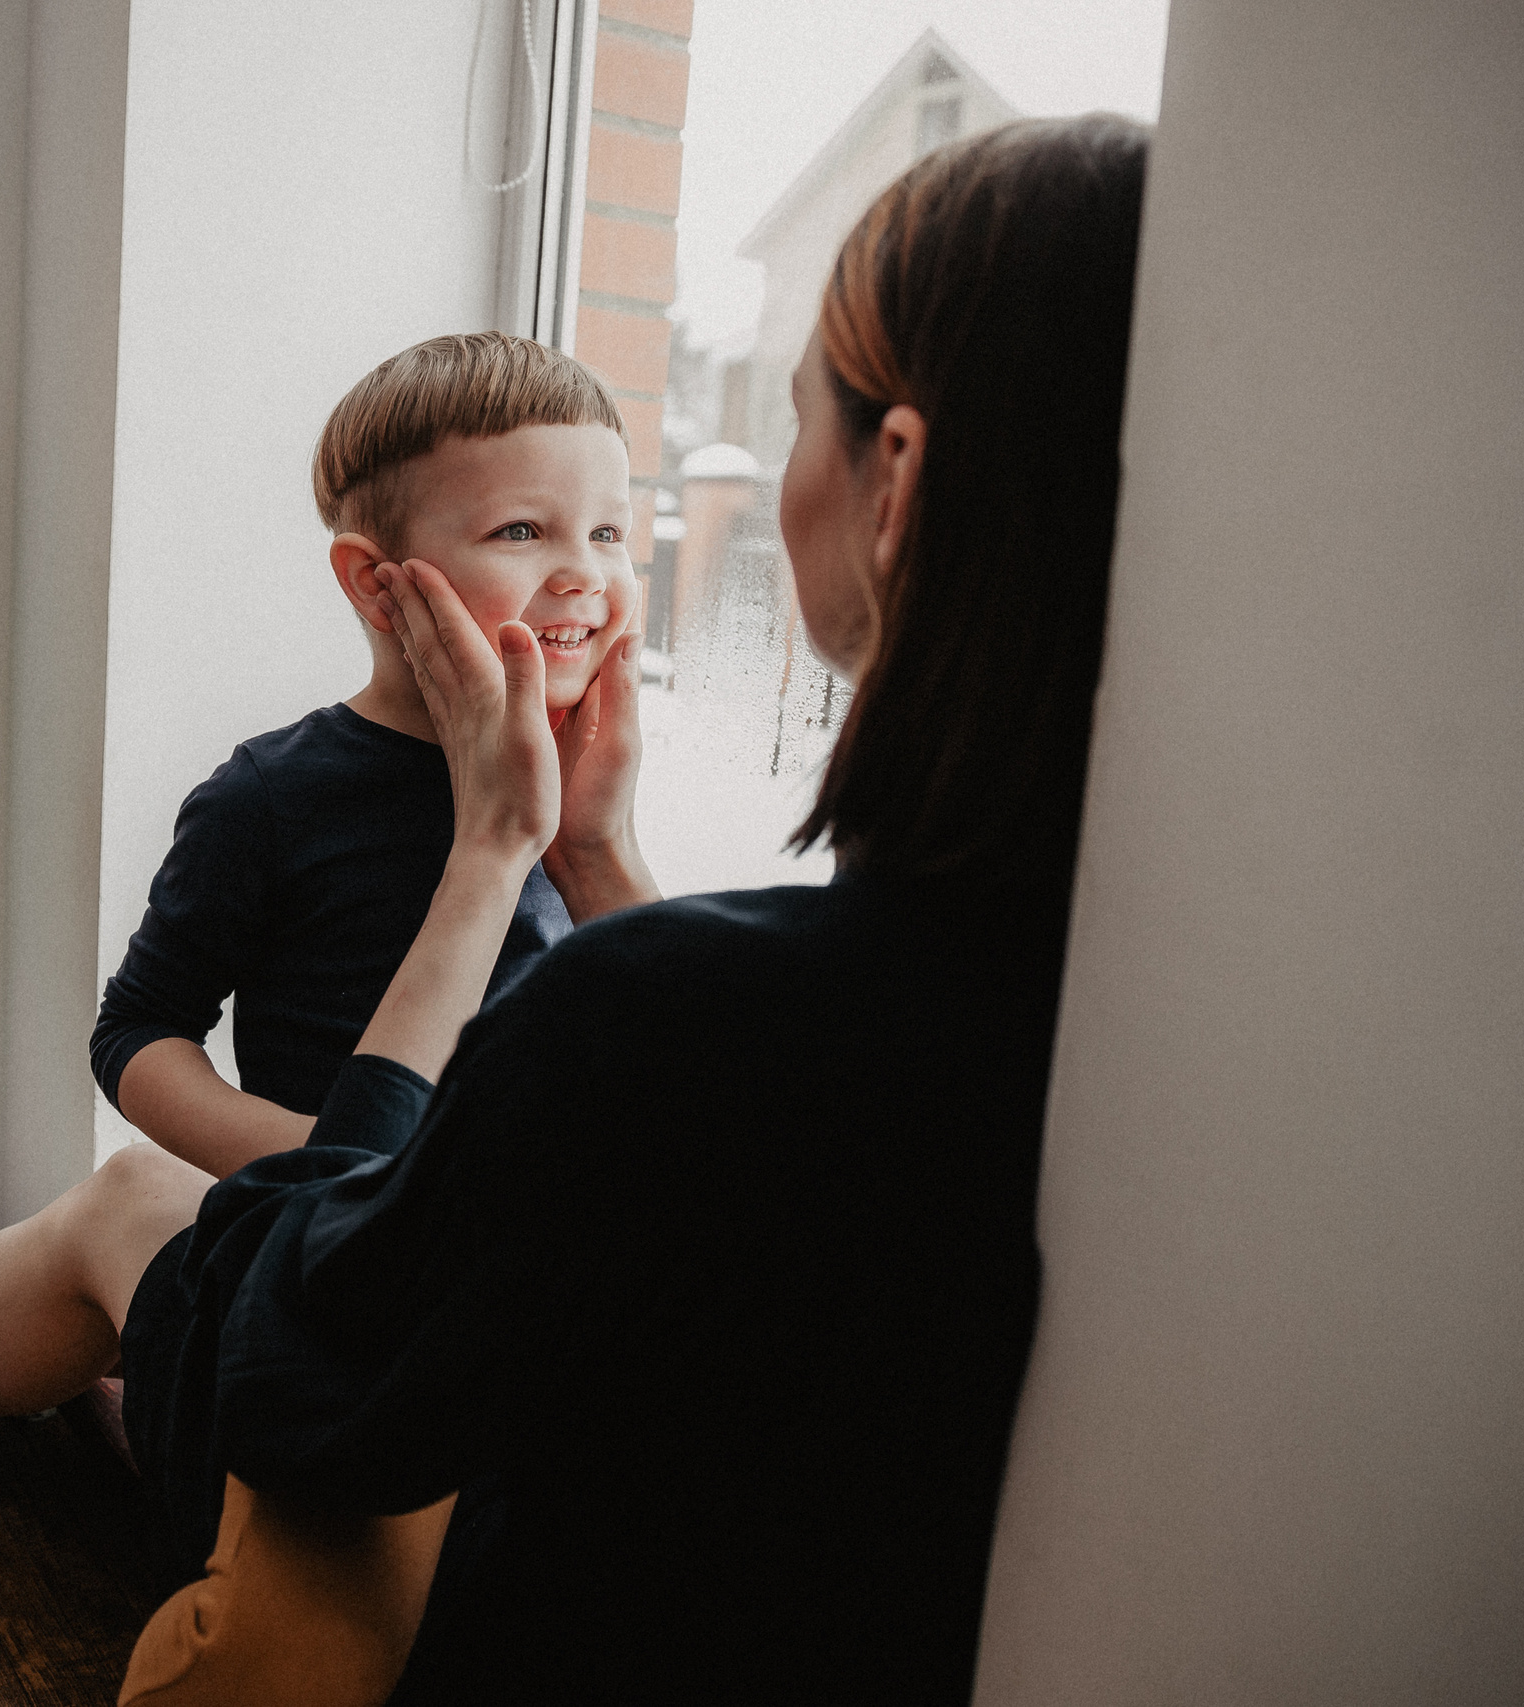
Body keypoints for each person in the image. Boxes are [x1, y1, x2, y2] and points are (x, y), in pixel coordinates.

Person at [112, 112, 1153, 1703]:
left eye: (793, 414)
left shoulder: (666, 1011)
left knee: (123, 1233)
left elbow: (321, 1360)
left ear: (895, 483)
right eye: (524, 528)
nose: (594, 565)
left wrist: (508, 862)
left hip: (424, 1426)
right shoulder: (1131, 1001)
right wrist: (591, 861)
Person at [0, 332, 662, 1348]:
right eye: (524, 530)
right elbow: (135, 1031)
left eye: (609, 533)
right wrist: (320, 1157)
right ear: (375, 581)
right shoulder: (275, 794)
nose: (584, 574)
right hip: (319, 1254)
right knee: (123, 1201)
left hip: (510, 1277)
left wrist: (597, 841)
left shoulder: (581, 782)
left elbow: (677, 1060)